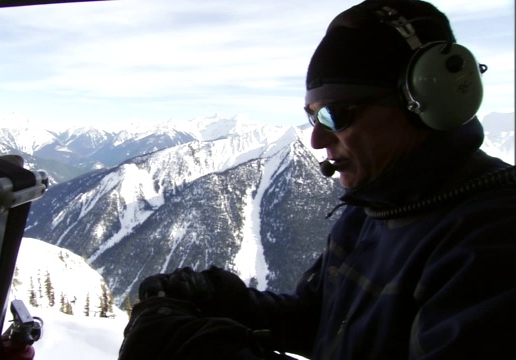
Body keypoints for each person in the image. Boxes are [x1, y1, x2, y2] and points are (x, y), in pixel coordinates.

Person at [118, 0, 516, 359]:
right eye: (314, 116)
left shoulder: (493, 235)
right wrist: (224, 299)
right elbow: (318, 319)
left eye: (336, 114)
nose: (317, 138)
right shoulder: (370, 210)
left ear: (426, 102)